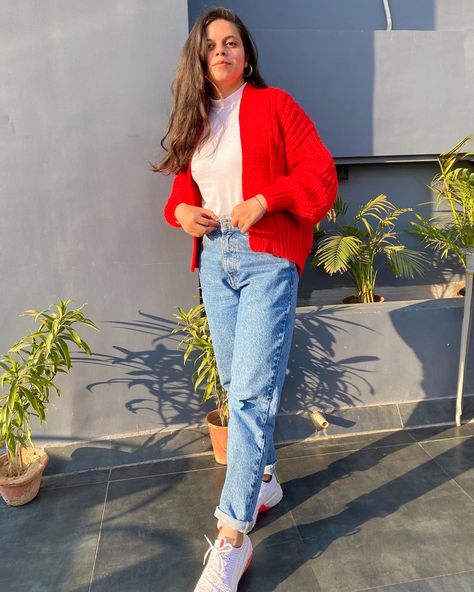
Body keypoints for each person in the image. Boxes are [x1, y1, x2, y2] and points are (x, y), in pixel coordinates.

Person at [155, 7, 338, 591]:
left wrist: (266, 199)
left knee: (253, 392)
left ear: (247, 54)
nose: (223, 51)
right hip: (216, 260)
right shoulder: (197, 121)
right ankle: (263, 481)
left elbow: (321, 175)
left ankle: (232, 537)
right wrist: (182, 212)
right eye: (211, 45)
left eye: (232, 42)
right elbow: (182, 194)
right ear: (199, 60)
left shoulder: (274, 105)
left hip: (266, 259)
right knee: (237, 386)